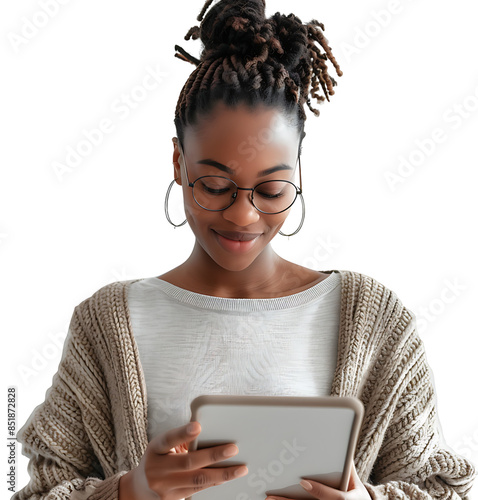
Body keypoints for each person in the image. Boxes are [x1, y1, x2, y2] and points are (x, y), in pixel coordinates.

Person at [12, 1, 476, 499]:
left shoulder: (375, 322)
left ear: (297, 170)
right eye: (214, 185)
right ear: (177, 161)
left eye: (272, 190)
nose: (242, 216)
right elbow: (42, 491)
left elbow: (441, 488)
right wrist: (131, 491)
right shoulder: (105, 323)